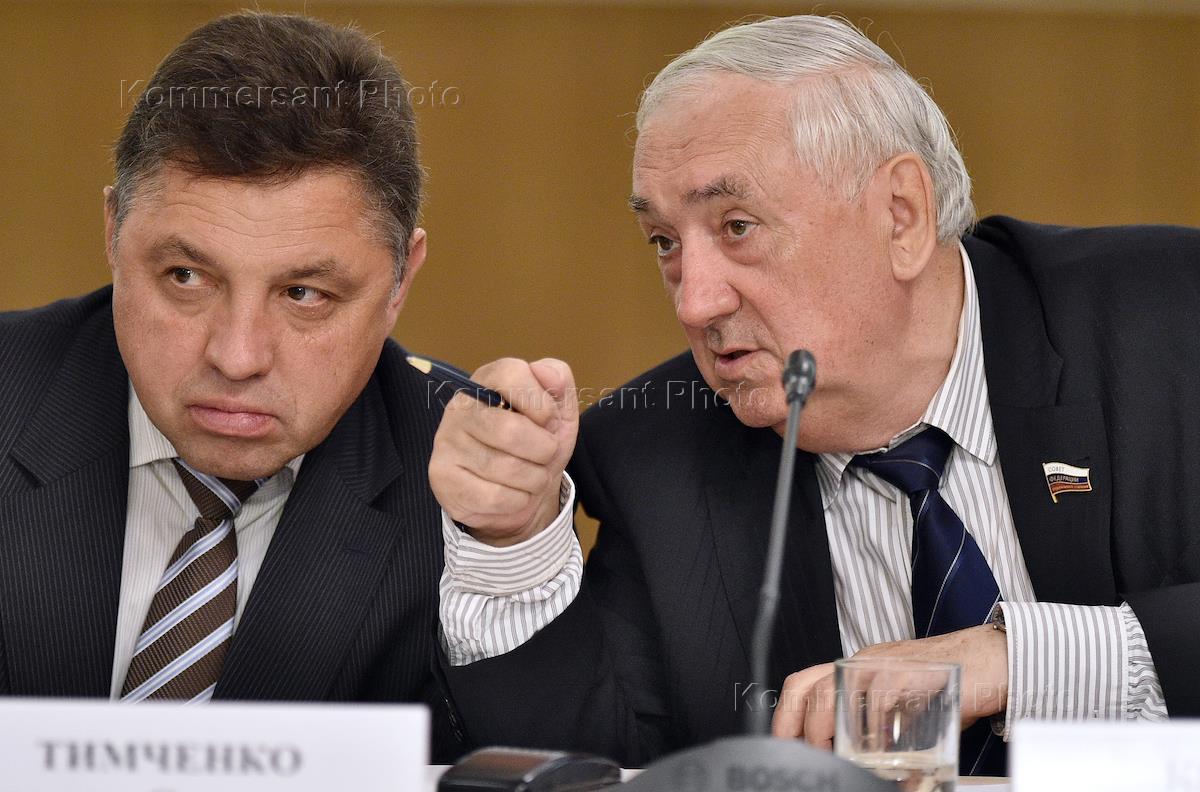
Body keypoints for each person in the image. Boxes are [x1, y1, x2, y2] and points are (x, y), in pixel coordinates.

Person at [430, 14, 1200, 775]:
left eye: (737, 226)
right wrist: (512, 542)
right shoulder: (656, 459)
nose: (694, 303)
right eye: (665, 242)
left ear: (900, 215)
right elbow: (591, 767)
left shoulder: (1168, 324)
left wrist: (1013, 661)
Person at [0, 11, 462, 760]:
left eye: (305, 294)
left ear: (401, 279)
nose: (238, 357)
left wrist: (517, 551)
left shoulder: (471, 485)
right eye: (186, 277)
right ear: (114, 232)